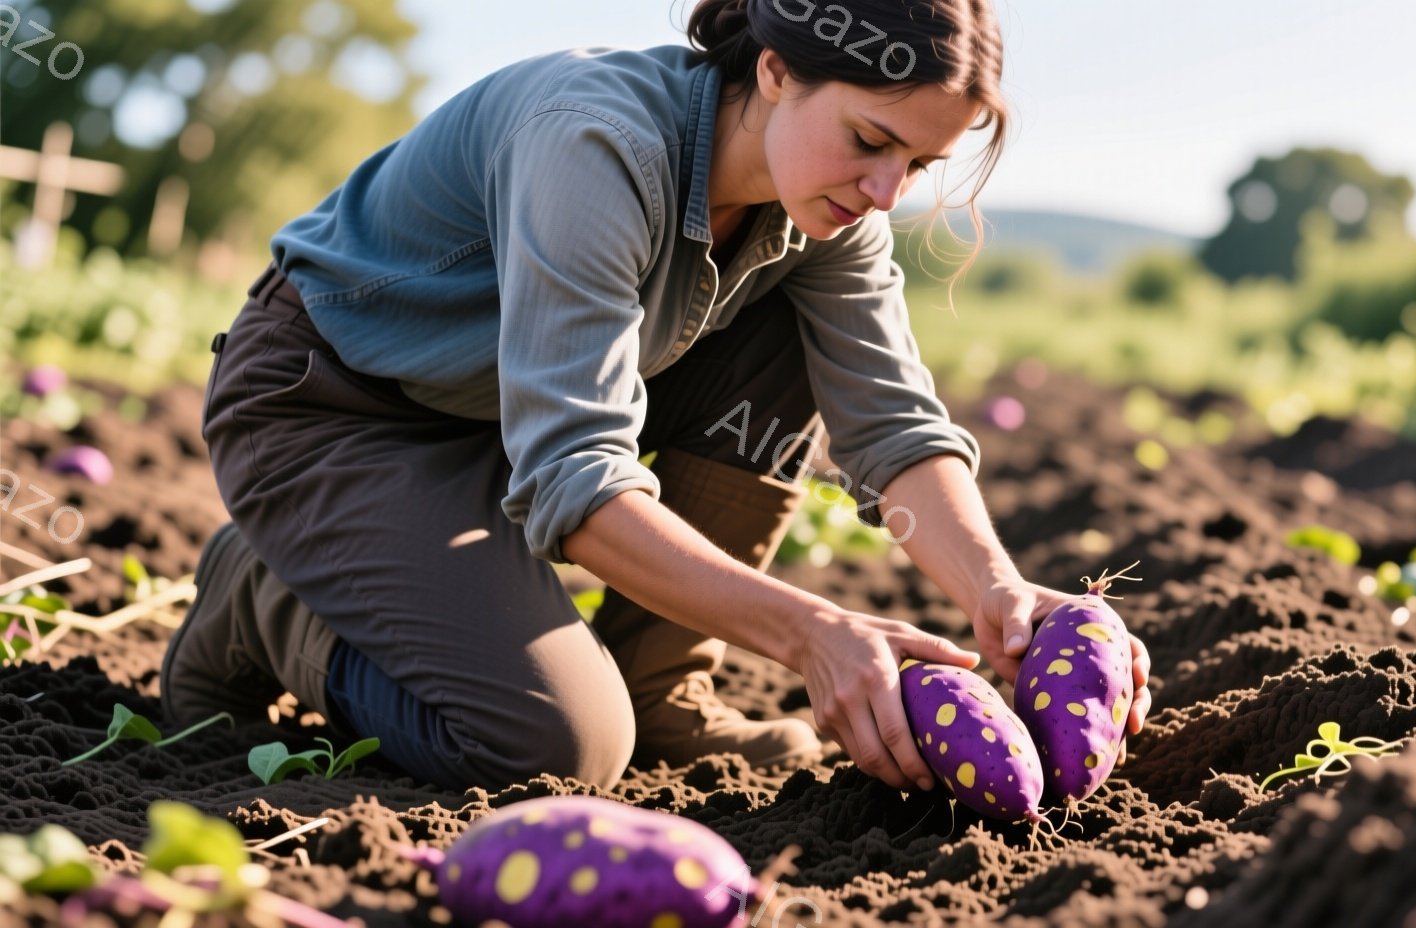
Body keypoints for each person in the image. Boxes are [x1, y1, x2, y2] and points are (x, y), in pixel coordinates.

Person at [161, 0, 1152, 793]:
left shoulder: (828, 213)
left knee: (783, 341)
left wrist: (998, 594)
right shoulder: (595, 144)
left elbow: (891, 423)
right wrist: (809, 632)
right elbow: (575, 473)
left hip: (498, 415)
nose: (886, 191)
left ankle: (657, 683)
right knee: (552, 747)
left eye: (918, 164)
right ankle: (265, 599)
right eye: (868, 139)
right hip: (336, 410)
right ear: (776, 71)